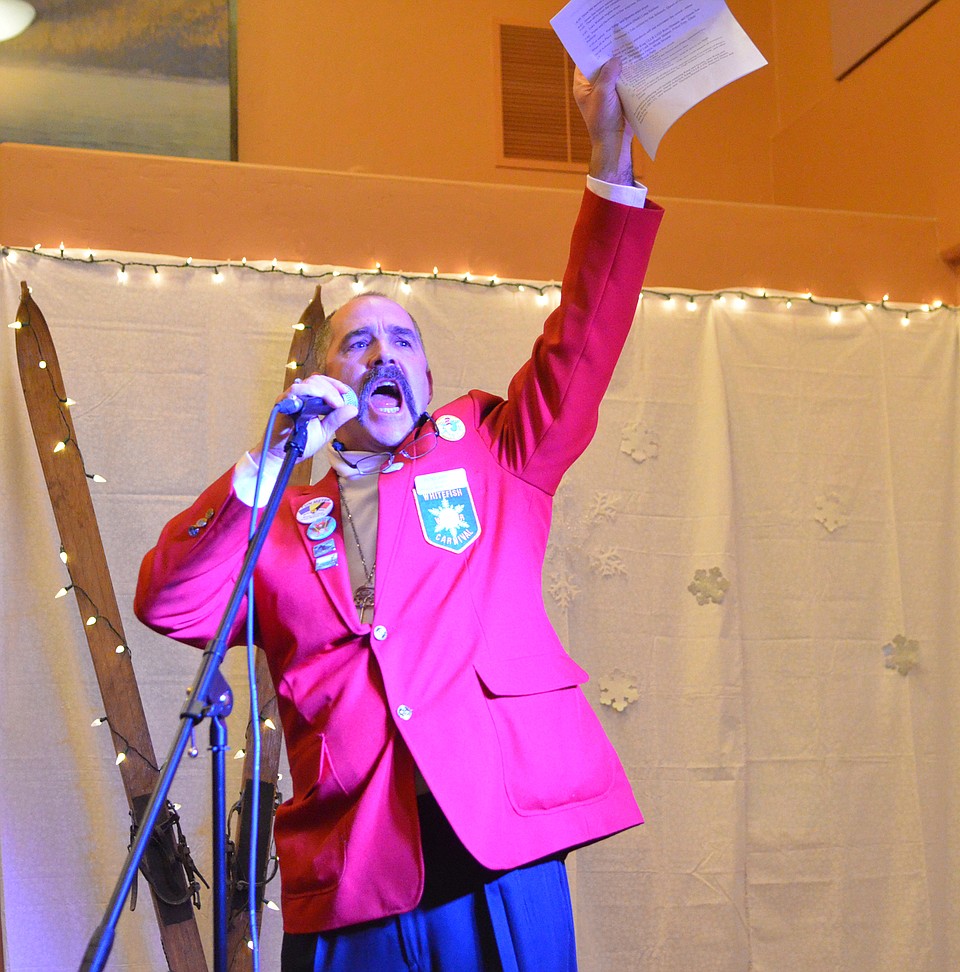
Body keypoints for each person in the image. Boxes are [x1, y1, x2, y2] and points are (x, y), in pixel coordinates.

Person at [135, 57, 662, 971]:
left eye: (404, 340)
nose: (384, 352)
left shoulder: (494, 452)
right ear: (325, 375)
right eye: (359, 341)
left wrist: (611, 159)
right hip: (355, 870)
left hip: (499, 842)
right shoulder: (279, 517)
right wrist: (264, 469)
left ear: (423, 377)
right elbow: (174, 606)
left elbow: (583, 336)